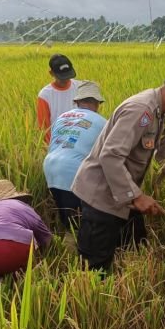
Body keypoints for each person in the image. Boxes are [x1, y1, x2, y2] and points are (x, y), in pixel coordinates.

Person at [71, 67, 165, 272]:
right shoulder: (141, 110)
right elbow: (111, 156)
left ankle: (126, 289)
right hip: (102, 197)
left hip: (123, 194)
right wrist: (137, 197)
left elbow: (163, 148)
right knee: (95, 265)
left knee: (137, 246)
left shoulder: (159, 113)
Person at [43, 81, 107, 231]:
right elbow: (107, 156)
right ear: (98, 103)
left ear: (77, 101)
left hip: (50, 167)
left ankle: (66, 247)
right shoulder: (103, 122)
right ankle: (76, 251)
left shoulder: (62, 117)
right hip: (74, 170)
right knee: (79, 223)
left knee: (67, 219)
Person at [37, 53, 83, 145]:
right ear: (51, 73)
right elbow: (44, 127)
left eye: (68, 75)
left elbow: (90, 116)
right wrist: (50, 148)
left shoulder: (80, 87)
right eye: (62, 77)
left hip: (79, 140)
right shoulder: (45, 95)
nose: (66, 80)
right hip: (57, 142)